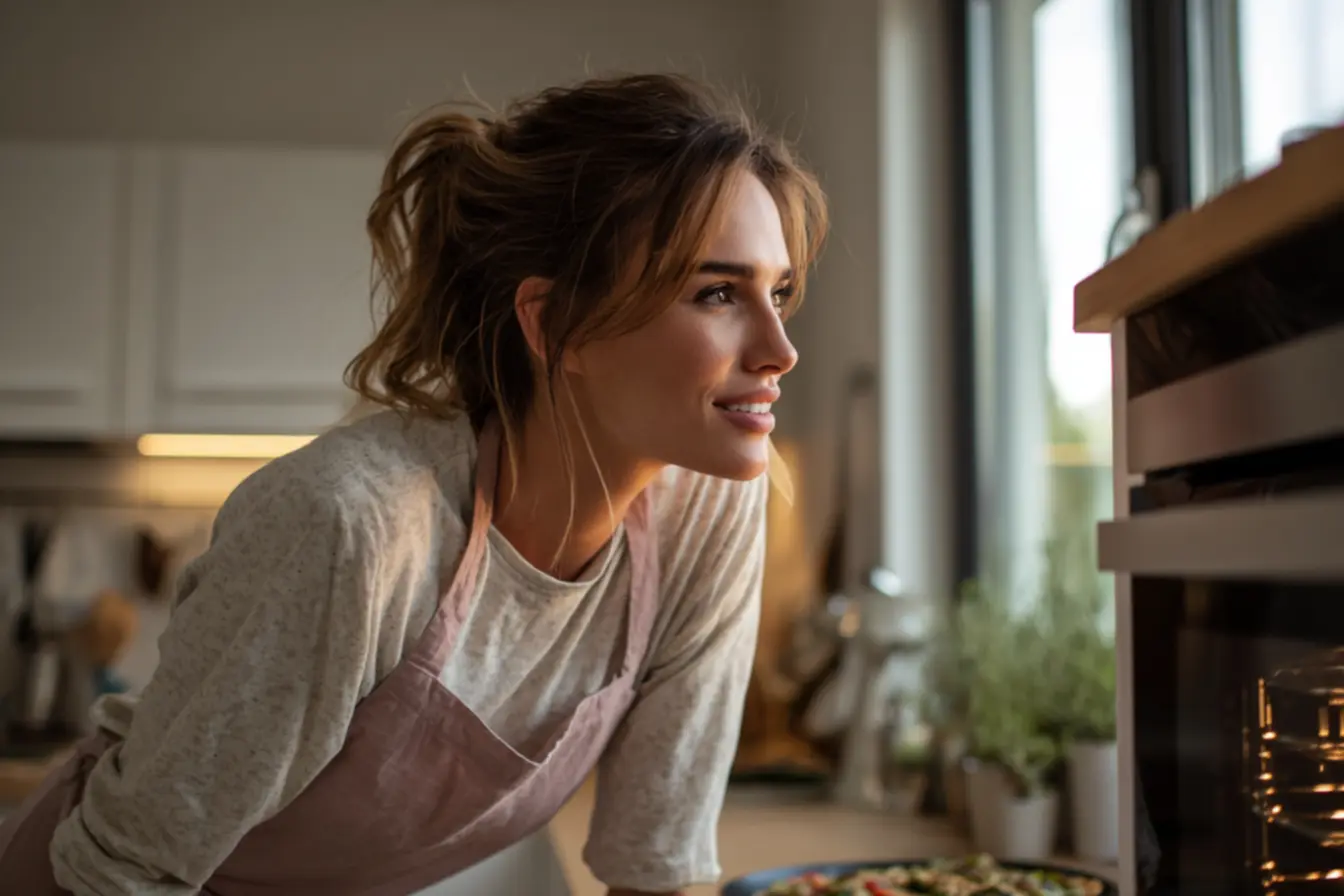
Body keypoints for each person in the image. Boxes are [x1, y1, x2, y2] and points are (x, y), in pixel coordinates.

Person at [0, 72, 827, 896]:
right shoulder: (351, 527)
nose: (780, 350)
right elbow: (124, 874)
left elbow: (656, 869)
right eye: (718, 293)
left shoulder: (710, 511)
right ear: (555, 324)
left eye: (779, 292)